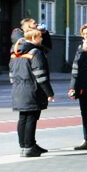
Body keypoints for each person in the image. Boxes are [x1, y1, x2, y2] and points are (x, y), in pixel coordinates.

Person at [10, 24, 54, 156]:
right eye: (40, 37)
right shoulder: (36, 52)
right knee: (31, 118)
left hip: (18, 89)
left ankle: (24, 146)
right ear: (34, 37)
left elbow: (11, 75)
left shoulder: (15, 52)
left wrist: (18, 85)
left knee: (23, 117)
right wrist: (49, 93)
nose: (41, 40)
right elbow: (40, 75)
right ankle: (29, 147)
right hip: (31, 90)